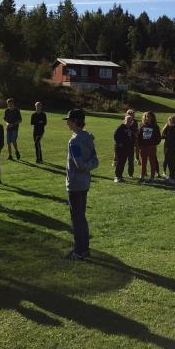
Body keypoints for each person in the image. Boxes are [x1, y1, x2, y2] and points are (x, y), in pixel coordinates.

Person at [64, 109, 99, 260]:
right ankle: (84, 249)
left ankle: (78, 251)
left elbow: (79, 164)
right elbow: (95, 160)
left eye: (69, 120)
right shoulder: (88, 137)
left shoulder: (74, 141)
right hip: (84, 183)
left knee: (77, 219)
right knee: (81, 217)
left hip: (75, 184)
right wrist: (88, 166)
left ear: (76, 121)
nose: (67, 122)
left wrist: (85, 167)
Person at [137, 111, 161, 183]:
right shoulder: (142, 125)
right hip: (143, 146)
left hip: (151, 147)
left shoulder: (155, 127)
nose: (147, 118)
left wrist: (154, 143)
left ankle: (152, 177)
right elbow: (139, 136)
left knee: (152, 162)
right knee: (143, 162)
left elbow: (158, 138)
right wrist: (140, 144)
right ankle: (142, 177)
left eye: (149, 116)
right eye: (146, 116)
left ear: (152, 117)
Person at [113, 114, 136, 182]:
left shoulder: (131, 128)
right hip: (121, 148)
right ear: (125, 120)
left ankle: (121, 176)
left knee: (124, 162)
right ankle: (117, 176)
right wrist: (119, 143)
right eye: (128, 120)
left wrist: (133, 142)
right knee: (120, 162)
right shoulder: (121, 127)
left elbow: (133, 137)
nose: (129, 122)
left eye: (130, 120)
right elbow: (115, 135)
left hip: (129, 148)